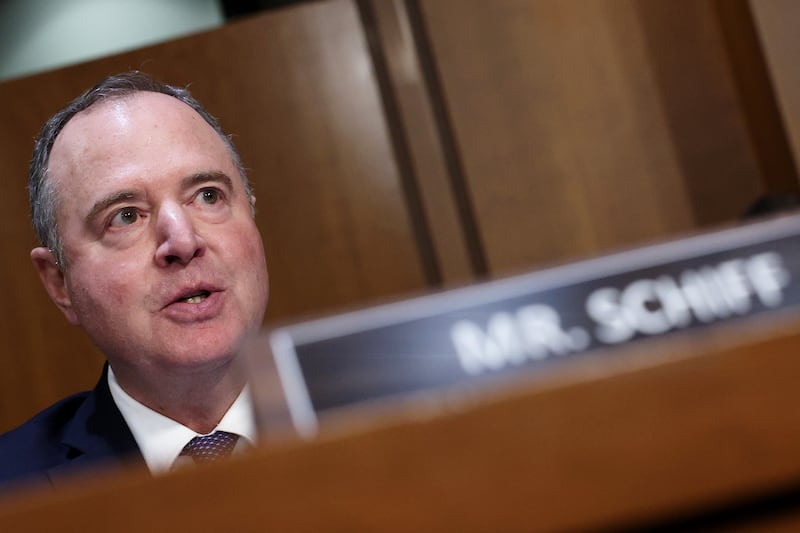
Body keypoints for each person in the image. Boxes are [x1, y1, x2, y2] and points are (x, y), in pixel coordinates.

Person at [0, 71, 270, 489]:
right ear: (59, 283)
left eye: (208, 195)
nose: (182, 241)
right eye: (125, 216)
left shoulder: (396, 406)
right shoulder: (14, 494)